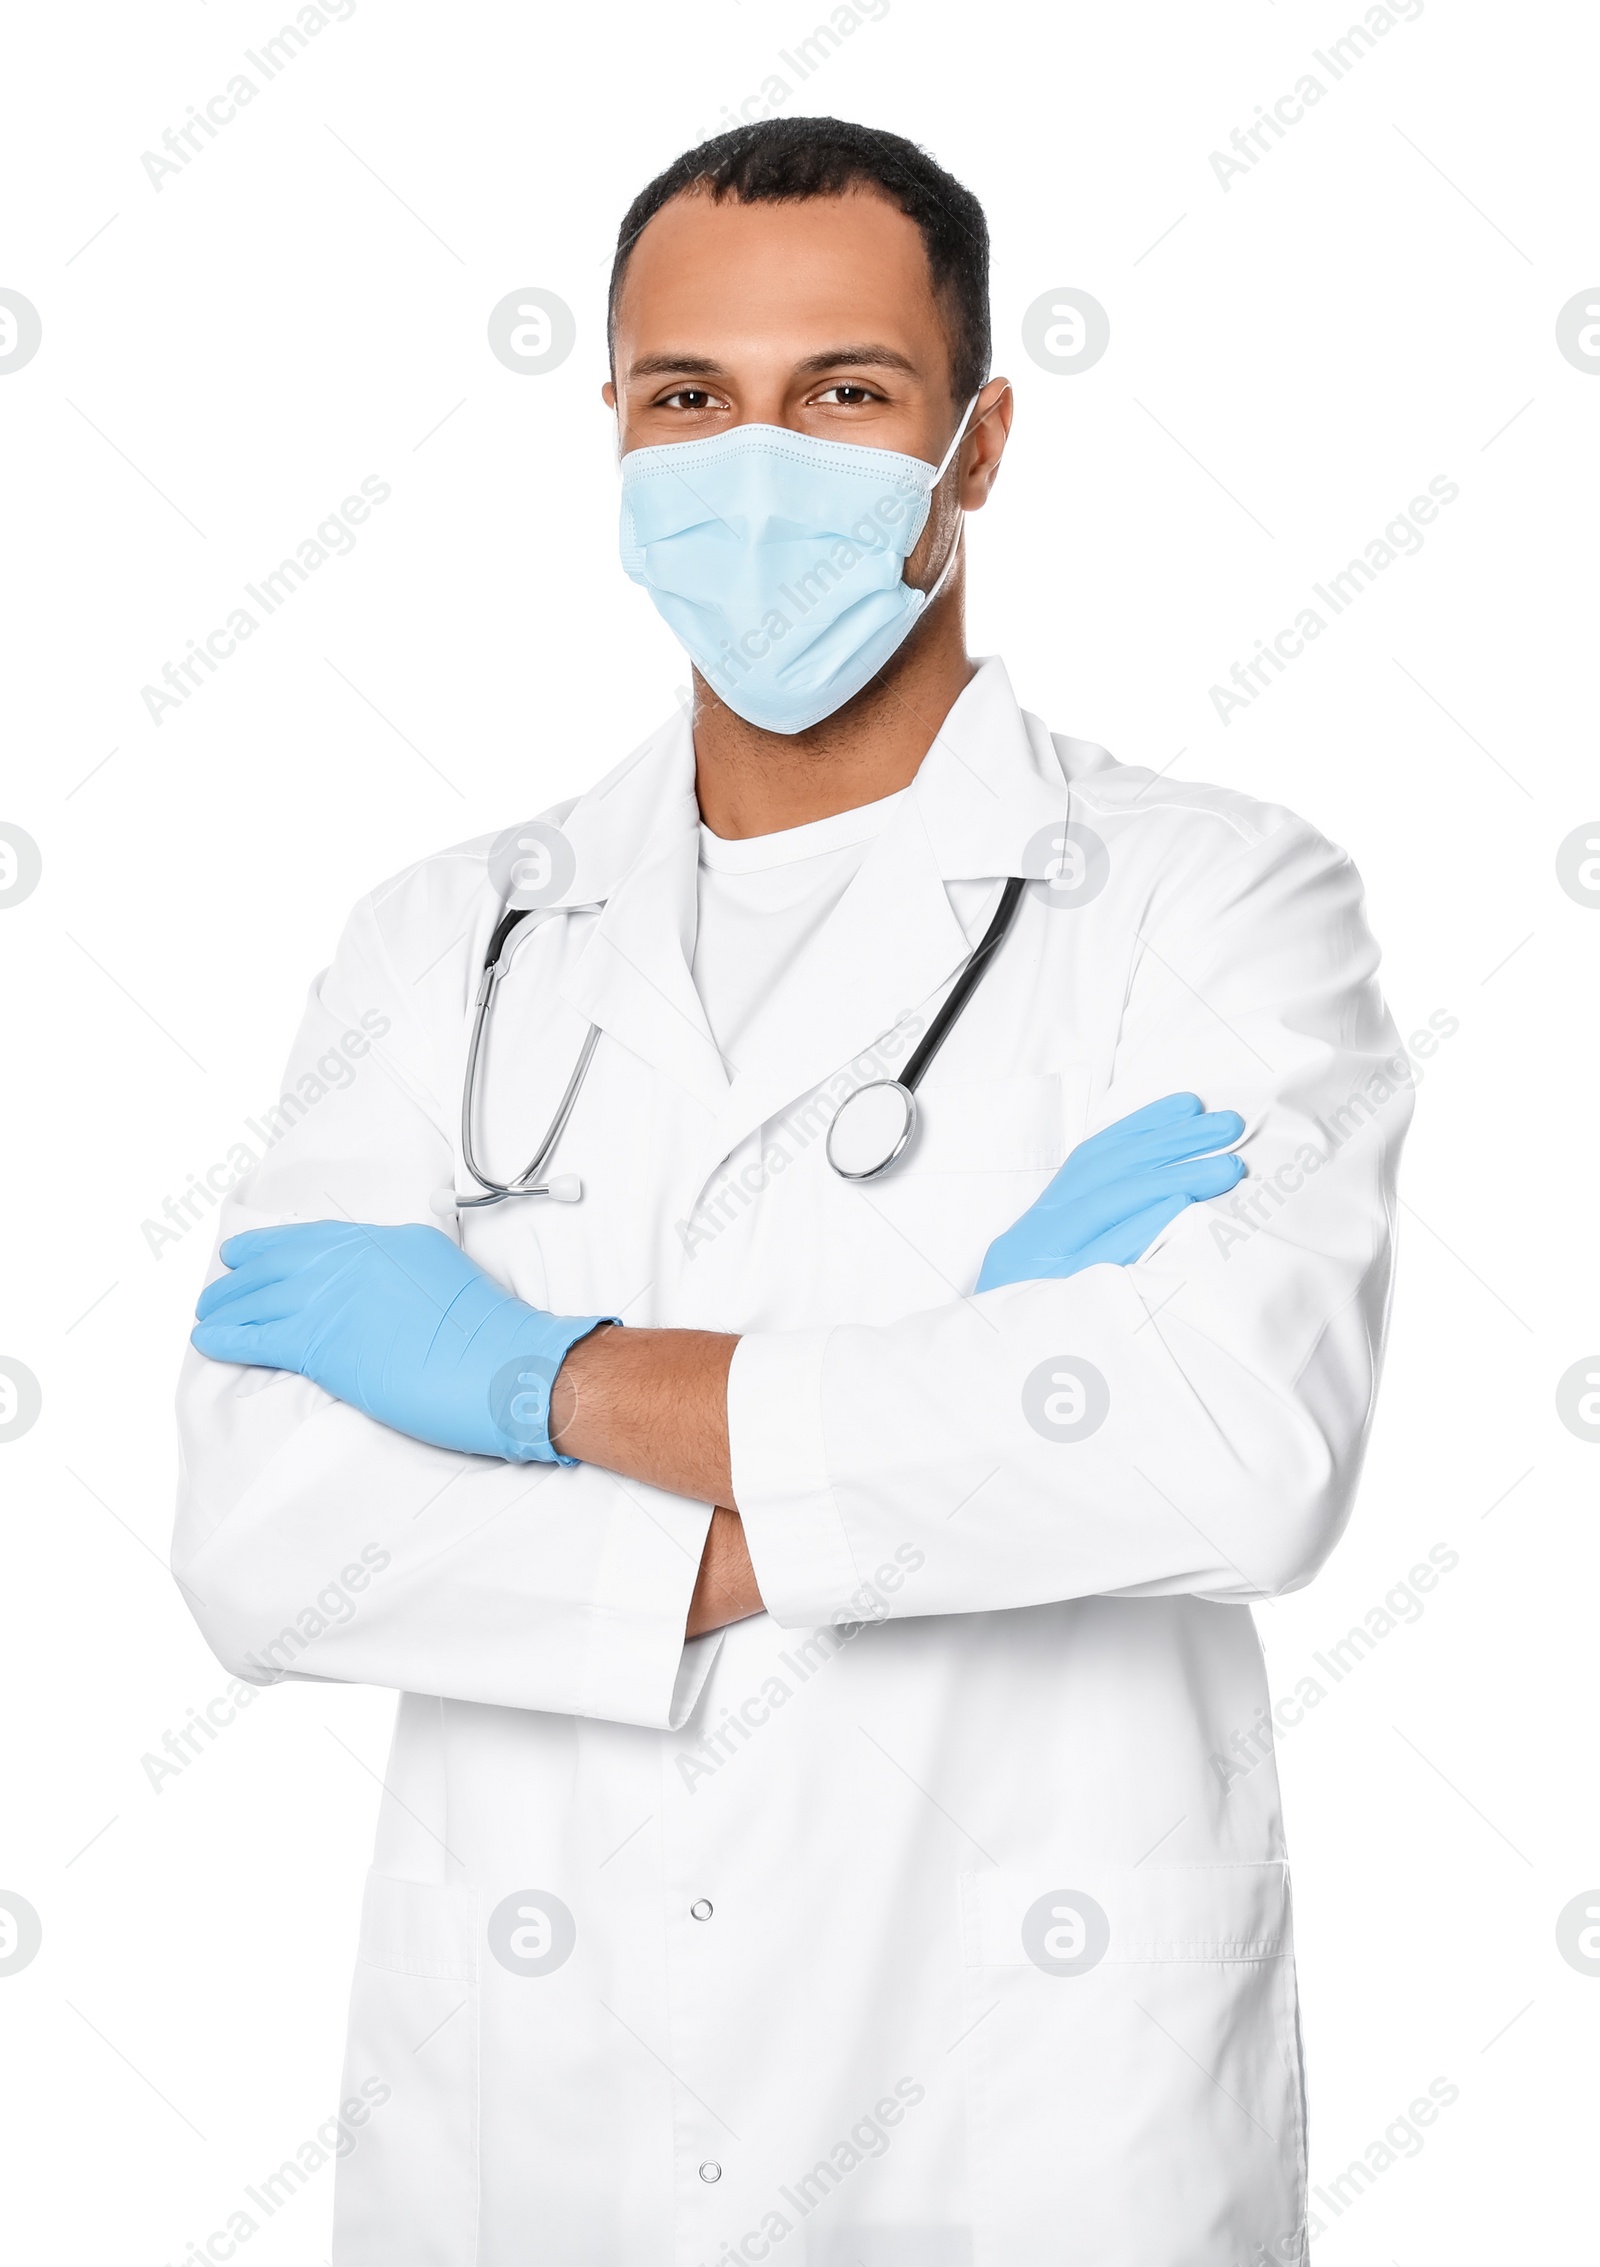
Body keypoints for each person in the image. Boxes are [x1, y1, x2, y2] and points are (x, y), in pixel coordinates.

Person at [174, 117, 1412, 2266]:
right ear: (616, 437)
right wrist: (957, 1412)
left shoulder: (1213, 903)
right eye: (689, 400)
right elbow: (266, 1542)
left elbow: (1230, 1452)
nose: (757, 466)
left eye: (842, 394)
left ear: (978, 440)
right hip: (532, 2124)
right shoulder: (445, 940)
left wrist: (531, 1381)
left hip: (1032, 2120)